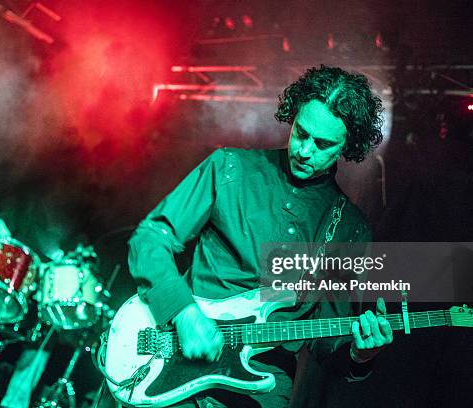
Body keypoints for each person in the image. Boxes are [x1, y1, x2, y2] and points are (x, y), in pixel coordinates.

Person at [128, 65, 393, 407]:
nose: (305, 150)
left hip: (257, 390)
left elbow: (330, 338)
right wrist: (183, 313)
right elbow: (150, 238)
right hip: (175, 353)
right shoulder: (229, 168)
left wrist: (360, 353)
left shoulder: (348, 229)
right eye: (301, 132)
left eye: (323, 144)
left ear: (347, 145)